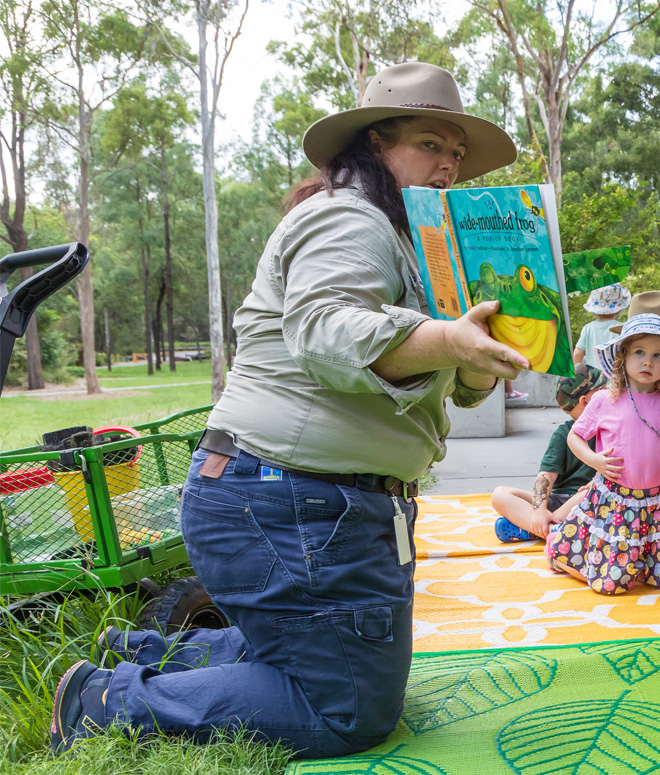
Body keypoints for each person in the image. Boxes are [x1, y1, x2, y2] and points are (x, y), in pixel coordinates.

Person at [49, 63, 525, 757]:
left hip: (306, 502)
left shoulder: (409, 244)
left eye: (455, 153)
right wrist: (451, 339)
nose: (449, 165)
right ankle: (102, 701)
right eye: (430, 144)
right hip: (291, 502)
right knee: (350, 711)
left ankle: (142, 649)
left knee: (331, 658)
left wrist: (478, 359)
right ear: (375, 145)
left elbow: (446, 378)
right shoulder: (348, 218)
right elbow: (327, 333)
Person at [546, 313, 660, 594]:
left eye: (658, 355)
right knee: (610, 584)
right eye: (639, 352)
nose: (648, 362)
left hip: (657, 504)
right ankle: (558, 544)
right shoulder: (605, 400)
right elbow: (574, 436)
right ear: (623, 357)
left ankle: (639, 563)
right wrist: (594, 460)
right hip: (616, 502)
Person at [492, 365, 607, 542]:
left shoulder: (611, 429)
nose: (610, 395)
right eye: (603, 390)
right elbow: (546, 475)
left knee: (594, 490)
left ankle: (533, 529)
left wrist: (596, 483)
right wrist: (539, 511)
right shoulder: (563, 434)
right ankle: (554, 529)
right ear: (585, 401)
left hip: (589, 501)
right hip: (557, 502)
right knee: (499, 494)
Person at [573, 283, 631, 366]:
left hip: (592, 373)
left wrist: (578, 371)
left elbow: (577, 354)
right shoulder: (622, 328)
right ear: (620, 309)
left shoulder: (588, 328)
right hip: (614, 373)